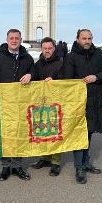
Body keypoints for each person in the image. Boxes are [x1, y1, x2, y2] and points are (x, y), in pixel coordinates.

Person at [63, 29, 102, 184]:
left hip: (96, 100)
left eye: (89, 38)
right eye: (84, 38)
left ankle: (86, 162)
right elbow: (67, 79)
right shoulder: (71, 57)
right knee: (79, 134)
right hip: (79, 102)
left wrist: (96, 77)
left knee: (89, 133)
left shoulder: (99, 54)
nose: (87, 41)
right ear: (77, 39)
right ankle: (79, 167)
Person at [0, 28, 34, 181]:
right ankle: (6, 166)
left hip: (21, 104)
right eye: (11, 38)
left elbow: (35, 72)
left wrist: (30, 75)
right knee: (5, 135)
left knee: (19, 133)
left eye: (17, 38)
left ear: (21, 40)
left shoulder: (27, 58)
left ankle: (18, 166)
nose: (14, 40)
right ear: (7, 40)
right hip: (4, 103)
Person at [31, 37, 63, 176]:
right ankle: (44, 157)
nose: (47, 51)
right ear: (42, 49)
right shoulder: (38, 64)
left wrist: (55, 81)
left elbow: (66, 80)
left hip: (56, 103)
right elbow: (34, 77)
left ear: (54, 48)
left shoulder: (61, 63)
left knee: (55, 132)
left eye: (50, 48)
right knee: (43, 130)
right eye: (45, 48)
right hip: (41, 103)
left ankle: (55, 162)